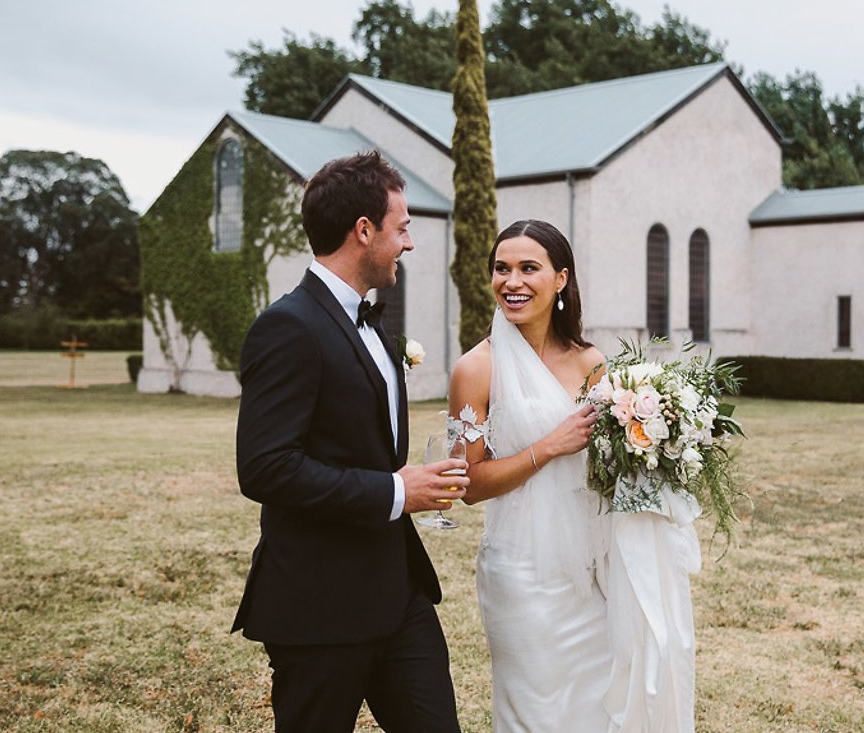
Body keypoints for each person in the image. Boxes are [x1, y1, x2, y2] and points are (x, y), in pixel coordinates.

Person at [232, 150, 466, 733]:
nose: (409, 243)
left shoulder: (375, 322)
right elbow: (264, 468)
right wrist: (394, 490)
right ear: (364, 231)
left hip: (399, 596)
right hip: (319, 607)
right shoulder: (288, 326)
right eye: (403, 227)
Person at [446, 219, 609, 731]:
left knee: (594, 710)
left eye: (528, 268)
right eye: (502, 268)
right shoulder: (476, 369)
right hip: (521, 571)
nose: (511, 281)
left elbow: (607, 467)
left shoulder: (592, 363)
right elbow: (468, 486)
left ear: (561, 279)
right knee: (532, 714)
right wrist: (548, 447)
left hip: (592, 570)